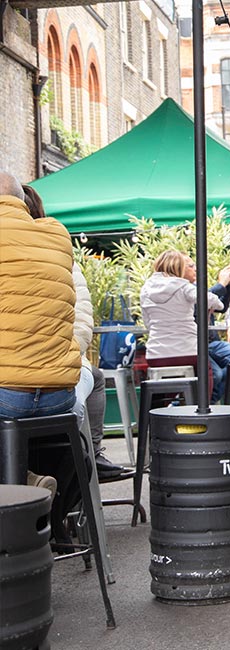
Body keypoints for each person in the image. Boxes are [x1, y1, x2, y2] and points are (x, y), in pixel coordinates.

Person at [22, 184, 124, 479]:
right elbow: (81, 321)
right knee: (91, 379)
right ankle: (88, 455)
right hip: (56, 377)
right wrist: (65, 353)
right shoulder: (59, 251)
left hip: (17, 384)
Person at [0, 171, 82, 494]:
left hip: (7, 396)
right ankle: (32, 489)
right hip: (60, 396)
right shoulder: (57, 234)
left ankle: (22, 481)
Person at [140, 250, 222, 395]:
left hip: (156, 355)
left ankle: (162, 411)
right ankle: (201, 408)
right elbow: (211, 299)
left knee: (169, 380)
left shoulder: (145, 290)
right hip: (187, 352)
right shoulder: (184, 287)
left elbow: (147, 323)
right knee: (207, 371)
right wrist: (218, 304)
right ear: (178, 268)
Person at [182, 256, 230, 403]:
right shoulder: (182, 290)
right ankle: (201, 404)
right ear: (178, 268)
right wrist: (221, 284)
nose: (195, 268)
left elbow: (220, 306)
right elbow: (199, 305)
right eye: (190, 266)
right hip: (195, 343)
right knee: (216, 374)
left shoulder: (196, 287)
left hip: (212, 342)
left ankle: (210, 402)